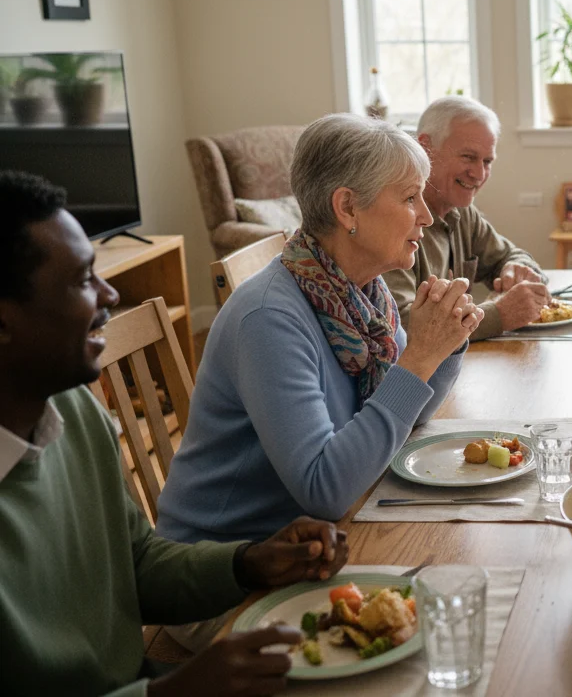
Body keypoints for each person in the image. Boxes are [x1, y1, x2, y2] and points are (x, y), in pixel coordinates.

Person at [0, 170, 351, 696]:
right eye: (80, 280)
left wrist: (250, 560)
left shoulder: (75, 413)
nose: (110, 294)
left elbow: (137, 563)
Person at [157, 113, 481, 544]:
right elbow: (325, 489)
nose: (425, 216)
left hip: (318, 537)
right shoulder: (269, 318)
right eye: (409, 198)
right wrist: (419, 355)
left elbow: (404, 416)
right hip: (231, 562)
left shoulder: (362, 293)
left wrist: (447, 343)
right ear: (347, 207)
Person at [383, 96, 549, 339]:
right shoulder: (392, 220)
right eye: (468, 157)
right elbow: (400, 328)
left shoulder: (461, 211)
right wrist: (499, 315)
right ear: (425, 148)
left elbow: (508, 255)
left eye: (487, 161)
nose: (479, 174)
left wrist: (518, 269)